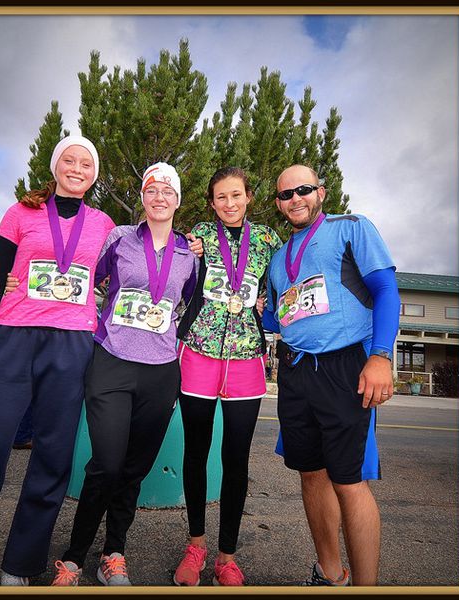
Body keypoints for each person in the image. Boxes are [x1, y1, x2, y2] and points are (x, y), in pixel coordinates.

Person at [0, 135, 115, 586]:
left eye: (86, 163)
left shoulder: (105, 224)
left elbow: (123, 275)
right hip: (14, 338)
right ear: (55, 167)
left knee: (52, 458)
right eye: (68, 160)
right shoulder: (21, 213)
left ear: (94, 174)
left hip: (72, 344)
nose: (77, 168)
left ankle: (21, 565)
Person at [48, 162, 200, 587]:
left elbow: (190, 303)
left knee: (133, 469)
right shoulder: (117, 238)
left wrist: (176, 340)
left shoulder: (189, 255)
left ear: (177, 201)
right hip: (112, 360)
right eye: (152, 189)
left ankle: (114, 553)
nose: (159, 196)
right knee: (107, 464)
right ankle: (74, 558)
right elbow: (82, 280)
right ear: (142, 197)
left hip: (160, 371)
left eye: (169, 191)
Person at [263, 164, 400, 586]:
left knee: (349, 480)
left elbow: (386, 290)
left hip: (346, 366)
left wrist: (380, 356)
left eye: (303, 190)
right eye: (286, 194)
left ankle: (366, 587)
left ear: (321, 192)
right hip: (295, 369)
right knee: (310, 473)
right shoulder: (276, 258)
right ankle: (330, 572)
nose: (295, 199)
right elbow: (276, 315)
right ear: (278, 203)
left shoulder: (351, 228)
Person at [173, 167, 282, 587]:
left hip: (245, 360)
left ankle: (227, 556)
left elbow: (282, 283)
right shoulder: (198, 234)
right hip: (198, 354)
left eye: (236, 195)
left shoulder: (268, 240)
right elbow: (179, 273)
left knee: (235, 460)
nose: (229, 204)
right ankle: (196, 544)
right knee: (196, 452)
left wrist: (267, 312)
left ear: (249, 196)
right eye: (221, 197)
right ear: (212, 202)